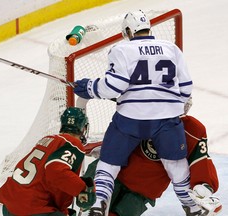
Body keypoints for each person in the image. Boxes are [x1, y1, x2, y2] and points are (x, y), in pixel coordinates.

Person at [73, 9, 194, 215]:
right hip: (166, 119)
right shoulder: (171, 48)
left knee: (109, 162)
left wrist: (90, 87)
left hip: (131, 119)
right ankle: (191, 206)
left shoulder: (121, 50)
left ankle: (99, 204)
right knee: (175, 162)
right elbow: (186, 88)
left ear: (129, 30)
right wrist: (169, 105)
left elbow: (114, 86)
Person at [84, 114, 222, 216]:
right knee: (90, 206)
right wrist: (106, 147)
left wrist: (205, 185)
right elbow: (123, 137)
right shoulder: (143, 113)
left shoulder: (193, 130)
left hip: (141, 191)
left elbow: (200, 159)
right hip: (116, 175)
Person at [0, 107, 96, 216]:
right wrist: (82, 189)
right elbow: (56, 171)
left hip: (9, 206)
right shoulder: (73, 144)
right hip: (33, 209)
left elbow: (45, 175)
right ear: (83, 128)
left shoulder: (47, 139)